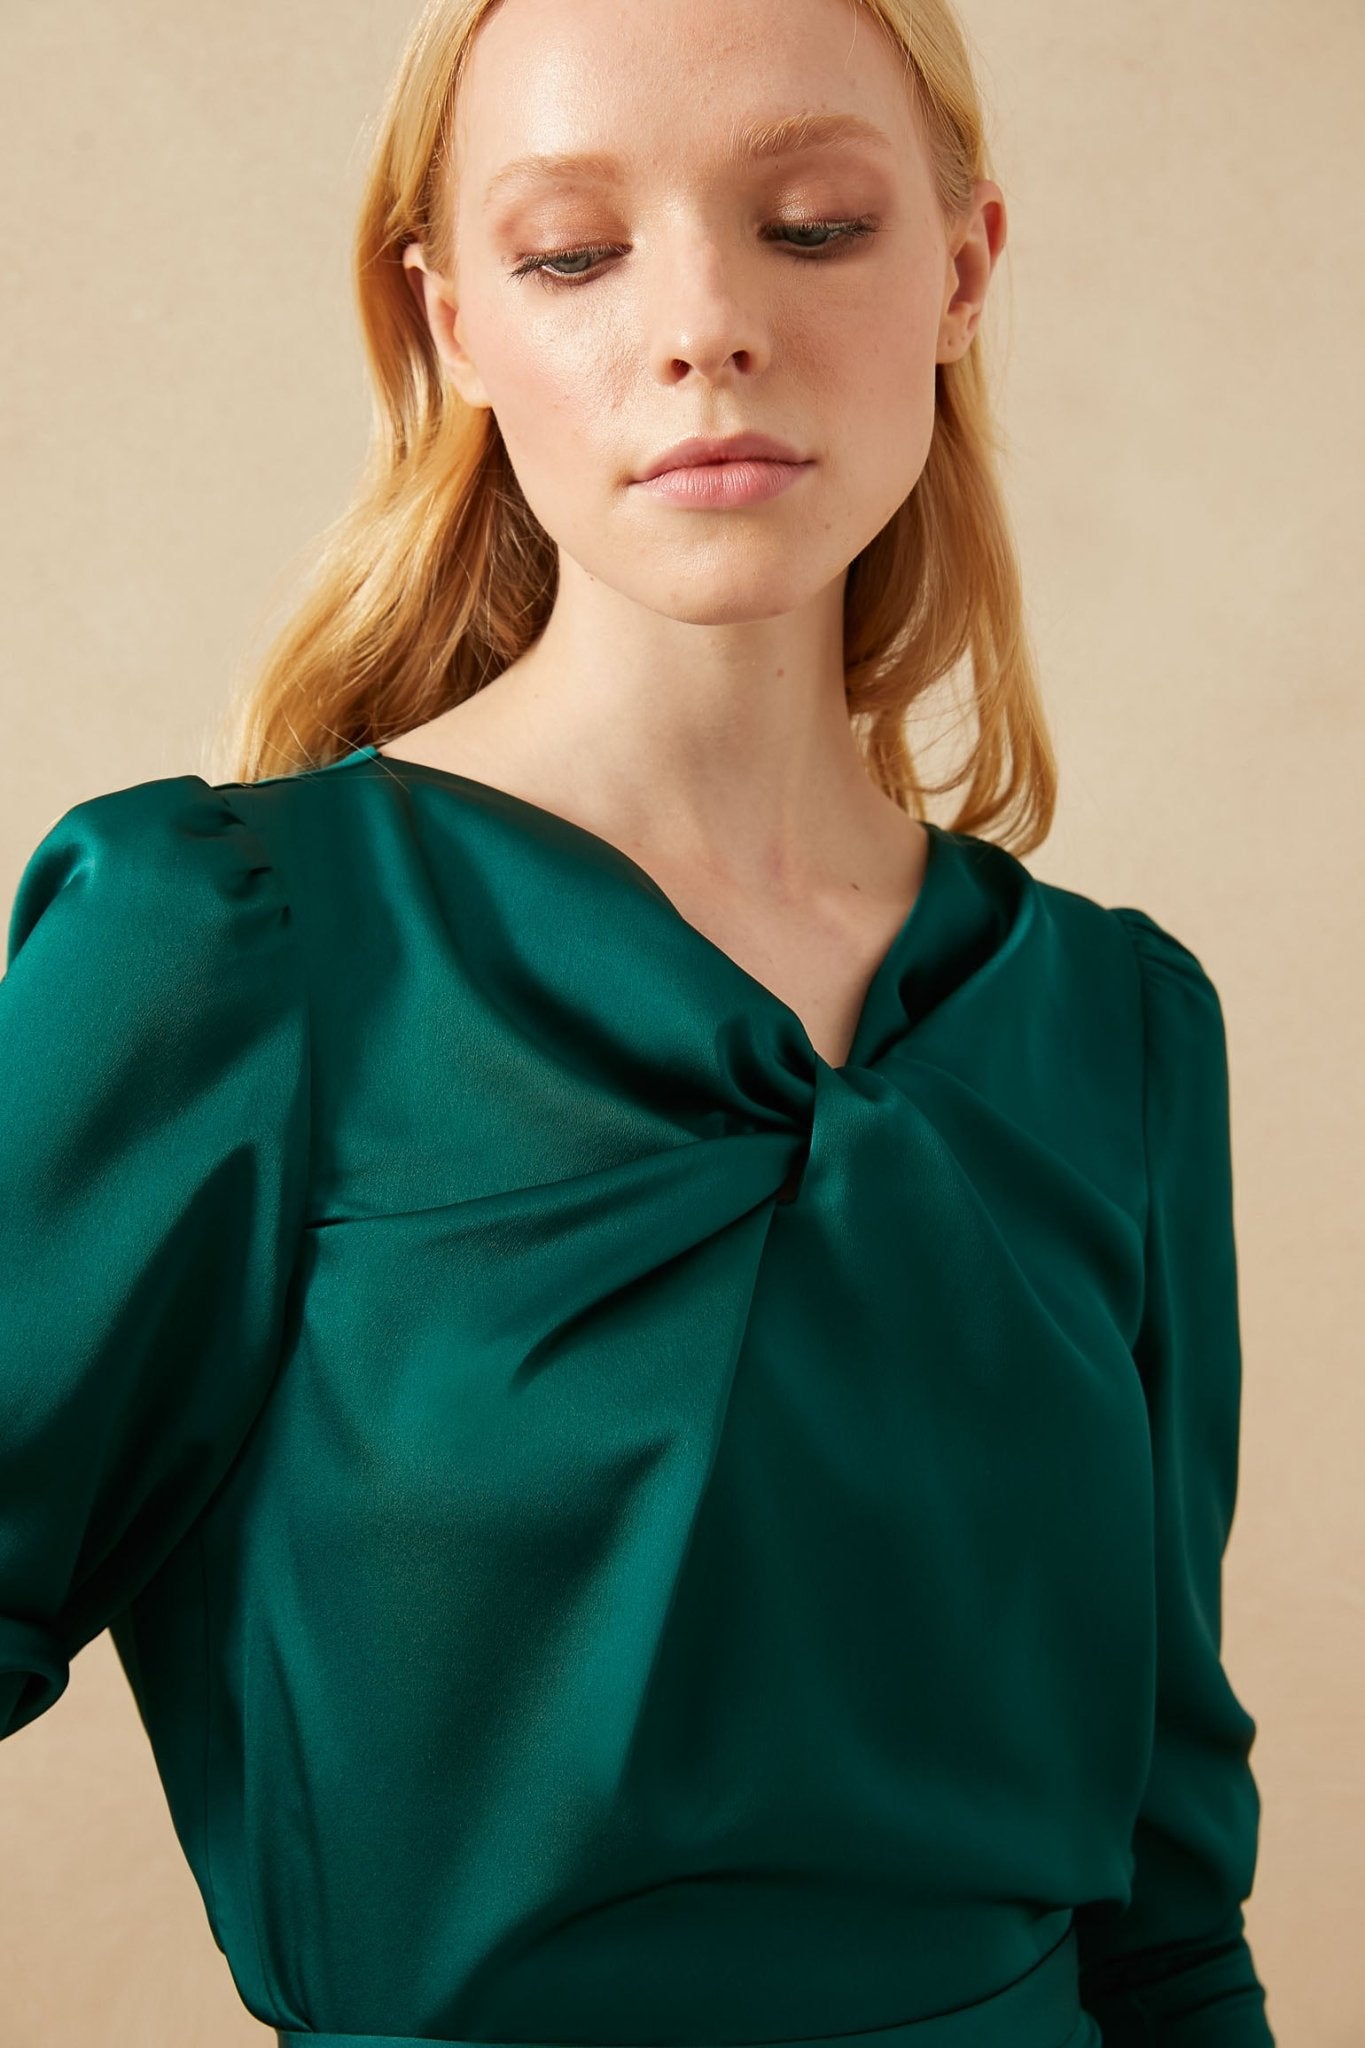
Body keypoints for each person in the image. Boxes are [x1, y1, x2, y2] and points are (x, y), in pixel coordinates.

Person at [0, 0, 1275, 2043]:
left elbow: (1167, 1921)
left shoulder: (1115, 1027)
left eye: (812, 224)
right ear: (448, 326)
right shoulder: (220, 954)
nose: (703, 328)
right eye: (573, 252)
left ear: (961, 268)